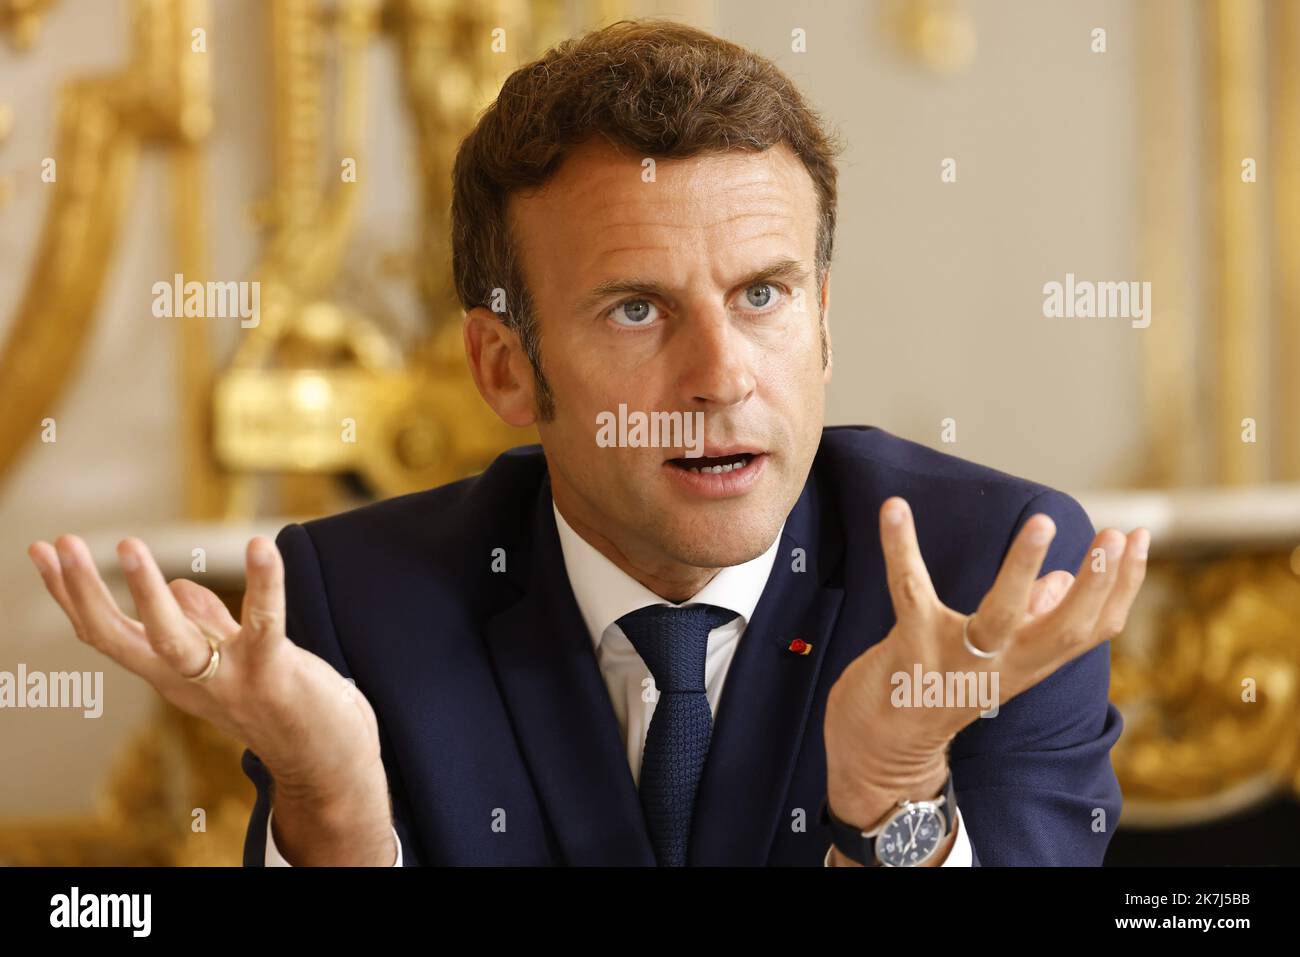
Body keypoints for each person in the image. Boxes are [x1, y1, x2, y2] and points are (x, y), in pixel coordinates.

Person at [28, 19, 1147, 867]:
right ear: (504, 367)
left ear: (823, 323)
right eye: (635, 310)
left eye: (762, 294)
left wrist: (895, 791)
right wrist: (333, 806)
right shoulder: (360, 604)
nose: (718, 378)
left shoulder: (991, 574)